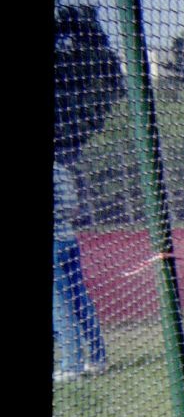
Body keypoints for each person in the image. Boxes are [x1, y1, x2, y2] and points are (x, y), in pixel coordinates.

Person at [53, 161, 107, 381]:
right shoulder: (60, 168)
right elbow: (73, 207)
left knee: (60, 305)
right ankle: (97, 358)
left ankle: (72, 365)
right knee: (80, 300)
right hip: (68, 239)